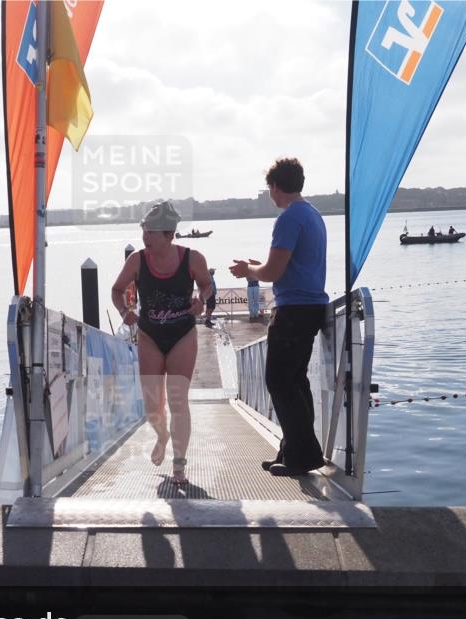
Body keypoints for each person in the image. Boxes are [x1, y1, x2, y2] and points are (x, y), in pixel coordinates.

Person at [229, 157, 329, 477]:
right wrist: (259, 267)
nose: (269, 194)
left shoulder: (288, 219)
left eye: (268, 188)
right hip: (311, 307)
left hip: (294, 310)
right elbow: (287, 266)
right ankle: (294, 450)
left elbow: (272, 272)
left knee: (280, 382)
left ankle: (301, 456)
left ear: (275, 186)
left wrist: (248, 271)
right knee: (295, 382)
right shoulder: (312, 214)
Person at [111, 200, 213, 486]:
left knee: (178, 399)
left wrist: (201, 300)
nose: (145, 237)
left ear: (169, 234)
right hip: (149, 336)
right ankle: (162, 435)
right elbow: (117, 290)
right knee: (153, 406)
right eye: (144, 230)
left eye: (151, 232)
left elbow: (207, 284)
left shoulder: (193, 258)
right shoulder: (137, 261)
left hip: (182, 334)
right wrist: (123, 311)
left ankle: (179, 464)